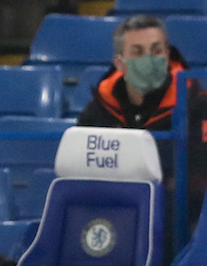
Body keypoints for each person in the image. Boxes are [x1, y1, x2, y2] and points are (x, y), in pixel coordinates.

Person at [77, 14, 207, 254]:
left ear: (167, 54)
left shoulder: (198, 107)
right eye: (138, 52)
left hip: (179, 234)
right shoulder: (97, 113)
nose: (149, 59)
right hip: (113, 226)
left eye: (156, 51)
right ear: (119, 63)